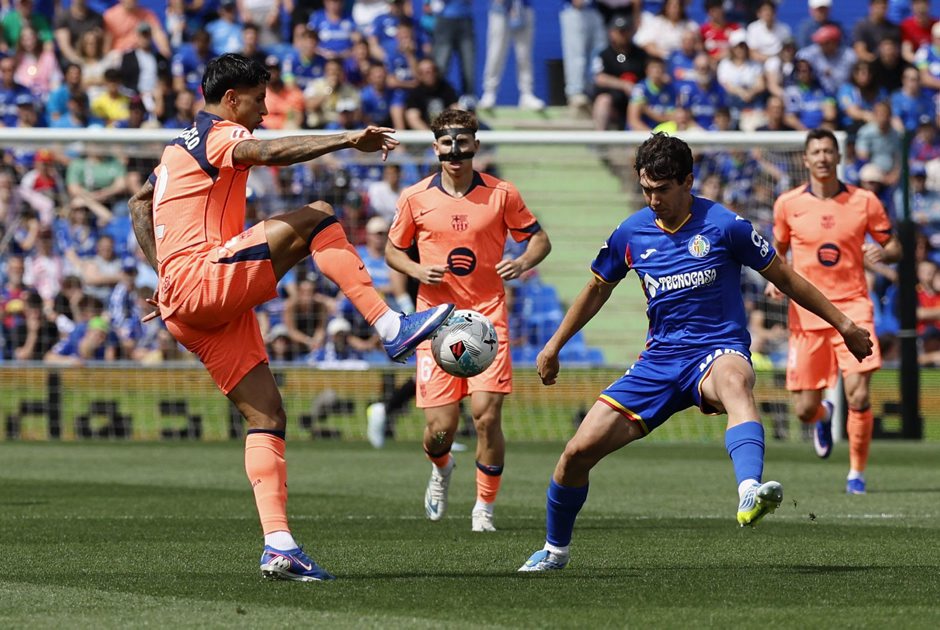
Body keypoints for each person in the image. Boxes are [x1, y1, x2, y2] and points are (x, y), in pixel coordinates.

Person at [128, 53, 455, 582]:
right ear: (231, 99)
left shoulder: (174, 149)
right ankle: (390, 326)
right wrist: (347, 139)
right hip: (202, 281)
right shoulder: (220, 134)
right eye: (259, 99)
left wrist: (163, 276)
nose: (265, 110)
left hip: (183, 304)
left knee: (267, 417)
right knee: (320, 216)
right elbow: (267, 152)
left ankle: (279, 546)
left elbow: (139, 204)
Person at [517, 132, 874, 572]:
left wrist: (844, 324)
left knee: (735, 383)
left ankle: (749, 490)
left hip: (717, 350)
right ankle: (555, 551)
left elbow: (785, 277)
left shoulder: (726, 226)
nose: (653, 200)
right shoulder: (630, 232)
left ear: (688, 182)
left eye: (662, 190)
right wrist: (554, 345)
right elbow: (596, 288)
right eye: (646, 189)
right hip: (658, 362)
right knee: (576, 454)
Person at [385, 108, 551, 533]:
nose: (455, 151)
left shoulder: (501, 193)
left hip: (486, 318)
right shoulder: (415, 198)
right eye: (446, 143)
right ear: (435, 147)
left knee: (486, 416)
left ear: (475, 144)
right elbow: (392, 251)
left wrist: (522, 261)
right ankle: (441, 467)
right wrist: (417, 270)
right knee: (440, 430)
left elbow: (539, 239)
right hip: (435, 323)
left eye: (462, 143)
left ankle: (484, 508)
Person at [767, 129, 902, 496]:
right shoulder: (788, 204)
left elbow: (895, 246)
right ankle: (824, 415)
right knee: (803, 410)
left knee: (858, 395)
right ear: (806, 159)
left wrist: (884, 252)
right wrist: (774, 281)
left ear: (839, 157)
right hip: (807, 312)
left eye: (829, 151)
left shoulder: (864, 201)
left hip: (854, 306)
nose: (823, 157)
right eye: (816, 152)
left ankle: (856, 474)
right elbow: (777, 252)